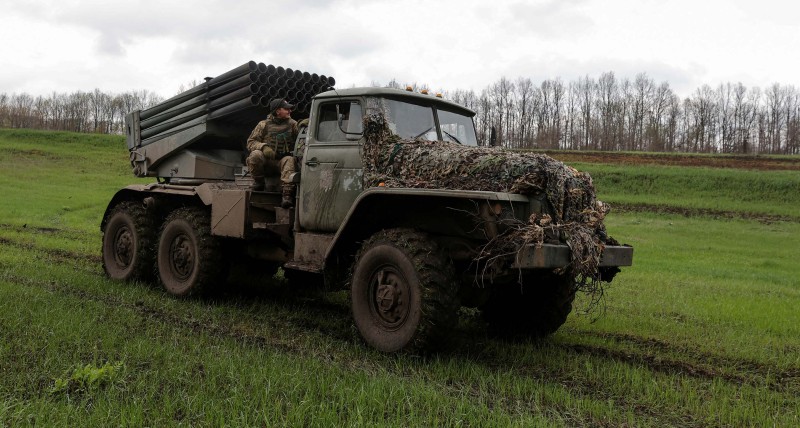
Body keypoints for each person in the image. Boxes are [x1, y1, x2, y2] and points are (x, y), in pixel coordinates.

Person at [246, 98, 299, 208]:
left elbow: (303, 134)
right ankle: (259, 183)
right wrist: (263, 147)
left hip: (281, 162)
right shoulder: (263, 125)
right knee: (255, 155)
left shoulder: (293, 124)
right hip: (266, 162)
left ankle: (287, 195)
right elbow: (251, 142)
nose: (290, 111)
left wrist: (305, 125)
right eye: (286, 109)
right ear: (278, 111)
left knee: (289, 160)